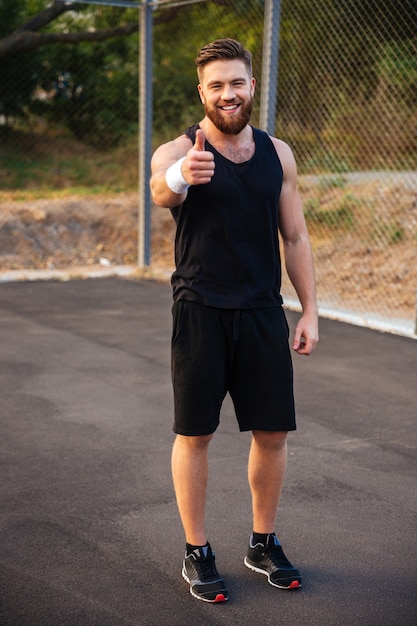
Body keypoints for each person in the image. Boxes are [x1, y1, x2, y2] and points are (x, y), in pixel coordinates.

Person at [150, 38, 318, 603]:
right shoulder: (180, 149)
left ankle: (262, 542)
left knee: (272, 432)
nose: (228, 94)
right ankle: (197, 551)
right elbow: (157, 190)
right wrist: (181, 177)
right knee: (195, 433)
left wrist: (309, 310)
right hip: (200, 310)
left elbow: (294, 236)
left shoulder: (279, 154)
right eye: (216, 85)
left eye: (237, 83)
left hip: (262, 311)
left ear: (252, 85)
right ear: (201, 92)